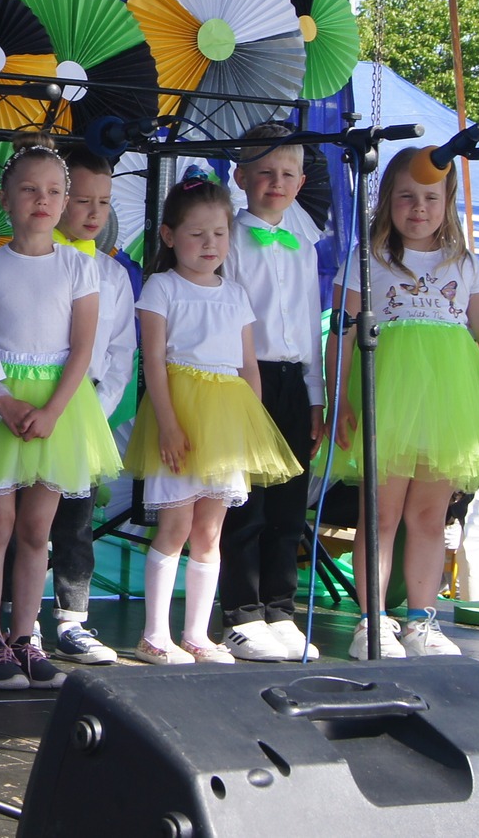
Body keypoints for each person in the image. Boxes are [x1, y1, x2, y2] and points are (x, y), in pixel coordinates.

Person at [332, 146, 479, 660]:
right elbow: (342, 332)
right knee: (380, 515)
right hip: (388, 401)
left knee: (429, 517)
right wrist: (338, 396)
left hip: (447, 406)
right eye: (406, 197)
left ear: (447, 203)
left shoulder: (464, 263)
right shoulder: (367, 261)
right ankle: (372, 621)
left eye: (430, 198)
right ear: (386, 201)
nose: (418, 208)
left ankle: (421, 619)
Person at [125, 173, 300, 665]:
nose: (209, 244)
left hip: (226, 419)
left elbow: (248, 367)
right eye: (197, 233)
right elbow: (153, 362)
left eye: (219, 233)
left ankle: (197, 634)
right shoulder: (161, 287)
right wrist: (168, 424)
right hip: (180, 412)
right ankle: (154, 635)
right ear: (169, 236)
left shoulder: (236, 294)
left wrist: (249, 427)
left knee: (210, 532)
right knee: (176, 524)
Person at [0, 141, 121, 690]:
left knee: (38, 530)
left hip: (59, 408)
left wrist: (54, 411)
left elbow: (83, 348)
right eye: (30, 189)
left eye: (55, 191)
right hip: (0, 403)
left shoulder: (79, 266)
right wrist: (2, 400)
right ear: (5, 198)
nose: (42, 199)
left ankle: (24, 638)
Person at [218, 124, 327, 663]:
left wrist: (316, 395)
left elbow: (309, 322)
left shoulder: (304, 245)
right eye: (264, 172)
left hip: (292, 378)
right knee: (247, 501)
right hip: (246, 374)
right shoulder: (230, 239)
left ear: (301, 182)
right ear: (241, 177)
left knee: (288, 502)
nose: (276, 183)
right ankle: (240, 613)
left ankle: (279, 608)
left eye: (287, 174)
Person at [39, 148, 134, 665]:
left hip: (84, 410)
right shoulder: (31, 260)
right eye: (82, 200)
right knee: (23, 521)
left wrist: (96, 408)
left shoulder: (113, 275)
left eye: (104, 202)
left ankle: (72, 620)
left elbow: (120, 353)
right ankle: (17, 621)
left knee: (75, 520)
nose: (94, 213)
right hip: (32, 402)